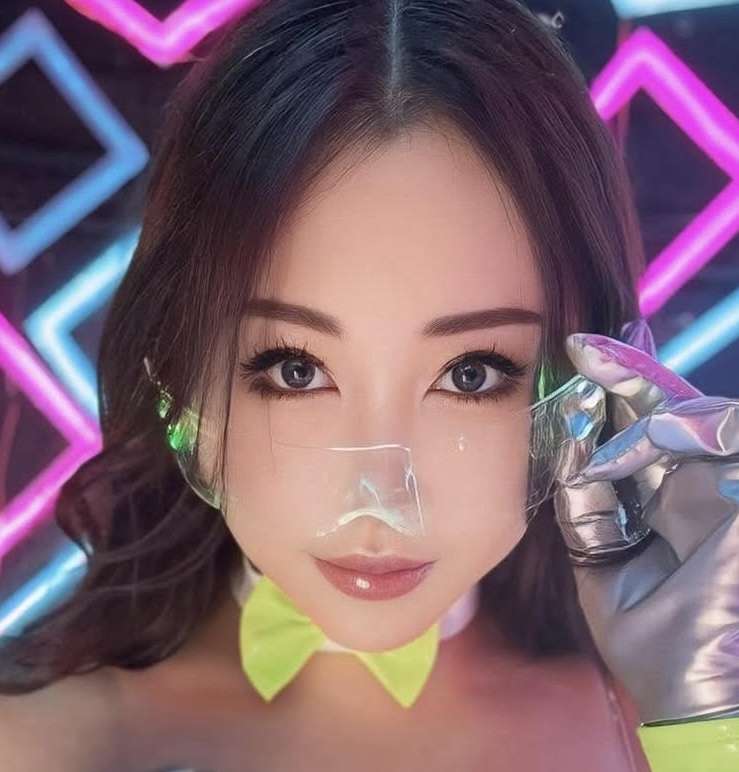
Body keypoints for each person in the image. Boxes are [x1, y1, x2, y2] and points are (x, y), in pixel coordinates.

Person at [1, 1, 737, 770]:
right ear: (179, 381)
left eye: (471, 375)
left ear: (589, 384)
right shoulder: (40, 745)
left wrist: (708, 733)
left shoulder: (669, 724)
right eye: (295, 370)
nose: (380, 495)